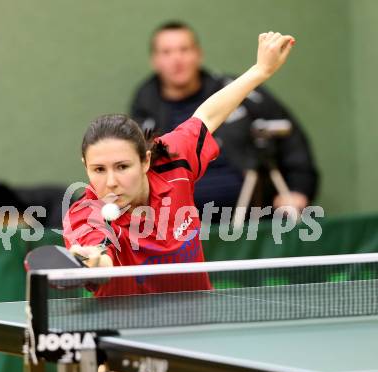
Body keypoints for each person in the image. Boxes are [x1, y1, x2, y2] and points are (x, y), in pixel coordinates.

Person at [63, 32, 318, 372]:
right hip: (121, 331)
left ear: (146, 159)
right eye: (98, 170)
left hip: (192, 325)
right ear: (85, 166)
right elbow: (97, 252)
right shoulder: (86, 211)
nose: (110, 182)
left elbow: (210, 114)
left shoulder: (175, 159)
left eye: (122, 167)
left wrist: (260, 70)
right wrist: (93, 261)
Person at [130, 21, 319, 222]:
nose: (177, 59)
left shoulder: (236, 92)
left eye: (184, 49)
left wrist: (299, 188)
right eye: (167, 52)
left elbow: (288, 135)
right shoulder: (144, 110)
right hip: (180, 224)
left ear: (198, 54)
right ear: (155, 60)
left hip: (252, 217)